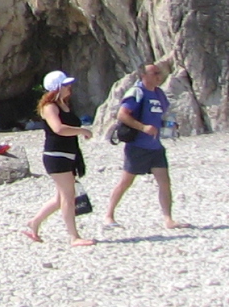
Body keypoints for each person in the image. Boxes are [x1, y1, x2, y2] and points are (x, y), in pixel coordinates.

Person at [104, 60, 187, 229]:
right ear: (143, 75)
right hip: (137, 146)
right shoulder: (137, 92)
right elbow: (122, 115)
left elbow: (157, 118)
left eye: (159, 73)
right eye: (154, 73)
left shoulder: (159, 94)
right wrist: (143, 128)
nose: (159, 76)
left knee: (164, 182)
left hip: (155, 147)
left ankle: (168, 219)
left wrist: (169, 125)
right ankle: (108, 215)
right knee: (126, 182)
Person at [24, 71, 95, 246]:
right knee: (68, 197)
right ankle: (73, 237)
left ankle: (34, 222)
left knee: (60, 198)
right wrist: (82, 131)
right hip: (56, 156)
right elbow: (59, 129)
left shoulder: (64, 105)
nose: (69, 87)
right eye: (65, 85)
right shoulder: (50, 107)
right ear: (56, 88)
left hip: (68, 155)